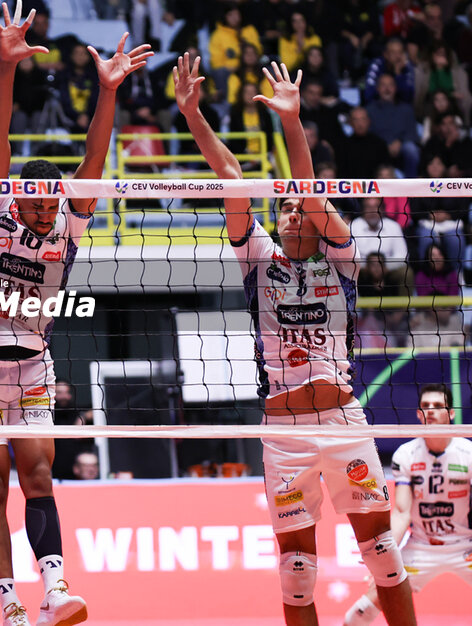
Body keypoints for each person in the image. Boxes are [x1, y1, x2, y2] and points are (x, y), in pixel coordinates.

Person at [173, 54, 417, 626]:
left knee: (381, 553)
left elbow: (309, 191)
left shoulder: (342, 257)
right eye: (279, 206)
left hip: (342, 423)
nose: (285, 212)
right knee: (297, 569)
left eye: (292, 206)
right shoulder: (258, 257)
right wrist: (192, 115)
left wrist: (291, 121)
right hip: (284, 435)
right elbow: (233, 179)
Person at [0, 0, 151, 626]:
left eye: (51, 204)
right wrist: (7, 66)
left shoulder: (70, 217)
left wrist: (107, 90)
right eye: (35, 203)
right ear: (17, 195)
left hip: (34, 364)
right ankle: (9, 605)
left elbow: (96, 153)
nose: (44, 211)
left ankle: (56, 591)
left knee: (38, 473)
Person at [344, 384, 472, 625]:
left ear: (452, 413)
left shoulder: (468, 452)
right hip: (421, 548)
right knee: (357, 615)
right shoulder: (406, 454)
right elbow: (402, 512)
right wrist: (385, 556)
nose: (431, 411)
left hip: (465, 547)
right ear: (418, 414)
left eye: (438, 406)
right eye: (425, 406)